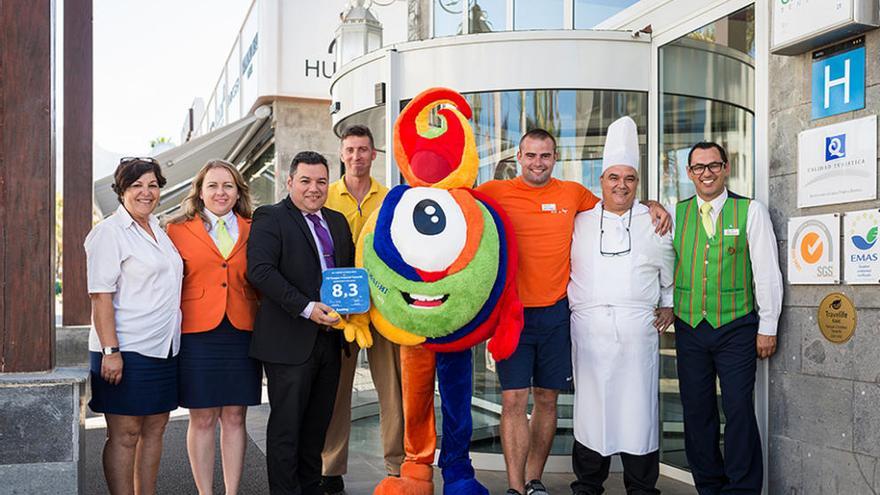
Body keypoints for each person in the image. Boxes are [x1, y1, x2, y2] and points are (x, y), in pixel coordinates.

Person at [476, 128, 670, 495]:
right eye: (531, 155)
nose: (538, 162)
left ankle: (534, 480)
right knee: (514, 399)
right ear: (519, 157)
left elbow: (618, 201)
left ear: (555, 159)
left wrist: (653, 204)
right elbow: (461, 210)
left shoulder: (573, 195)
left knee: (548, 399)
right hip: (513, 315)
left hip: (555, 315)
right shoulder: (495, 192)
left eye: (545, 155)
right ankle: (515, 487)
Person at [568, 117, 674, 495]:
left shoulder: (655, 221)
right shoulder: (578, 220)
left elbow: (670, 271)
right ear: (601, 181)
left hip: (637, 333)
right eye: (614, 177)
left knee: (637, 413)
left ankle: (642, 487)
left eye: (629, 179)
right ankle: (587, 485)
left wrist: (669, 304)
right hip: (589, 331)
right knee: (591, 412)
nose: (621, 185)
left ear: (638, 184)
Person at [672, 142, 782, 494]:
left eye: (713, 166)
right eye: (699, 167)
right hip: (690, 327)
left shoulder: (750, 211)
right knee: (697, 411)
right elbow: (662, 267)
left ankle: (742, 488)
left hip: (736, 327)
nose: (706, 173)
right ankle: (708, 485)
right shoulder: (676, 213)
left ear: (726, 168)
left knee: (737, 409)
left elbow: (766, 273)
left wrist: (768, 326)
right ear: (689, 173)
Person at [247, 151, 355, 495]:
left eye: (321, 181)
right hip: (289, 340)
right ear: (289, 181)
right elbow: (260, 271)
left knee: (316, 428)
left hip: (331, 339)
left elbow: (347, 273)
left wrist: (352, 305)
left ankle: (311, 488)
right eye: (305, 181)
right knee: (286, 430)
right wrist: (307, 308)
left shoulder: (337, 221)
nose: (314, 188)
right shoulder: (270, 217)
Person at [85, 157, 183, 494]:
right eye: (136, 185)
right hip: (125, 349)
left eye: (152, 185)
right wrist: (111, 351)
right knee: (125, 434)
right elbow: (100, 297)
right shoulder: (109, 233)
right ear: (121, 190)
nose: (146, 192)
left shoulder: (158, 228)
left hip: (164, 346)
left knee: (156, 429)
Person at [165, 160, 262, 495]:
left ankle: (231, 492)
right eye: (213, 186)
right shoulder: (176, 230)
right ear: (200, 192)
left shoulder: (255, 227)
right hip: (197, 334)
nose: (221, 192)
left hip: (241, 330)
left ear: (238, 192)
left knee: (235, 416)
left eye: (228, 186)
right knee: (202, 417)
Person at [320, 125, 404, 495]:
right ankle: (330, 469)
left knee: (393, 390)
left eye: (364, 150)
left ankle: (397, 466)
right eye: (350, 150)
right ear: (341, 154)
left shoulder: (391, 199)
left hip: (384, 308)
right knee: (336, 392)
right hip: (342, 311)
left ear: (374, 155)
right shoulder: (324, 197)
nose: (356, 156)